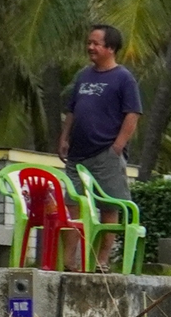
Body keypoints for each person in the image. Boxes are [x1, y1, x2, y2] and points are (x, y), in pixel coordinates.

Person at [58, 24, 142, 199]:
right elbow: (72, 110)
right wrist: (64, 138)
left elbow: (132, 114)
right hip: (76, 156)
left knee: (109, 207)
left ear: (111, 48)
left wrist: (116, 148)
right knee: (73, 206)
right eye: (89, 43)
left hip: (105, 154)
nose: (90, 48)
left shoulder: (124, 78)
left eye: (96, 44)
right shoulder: (83, 75)